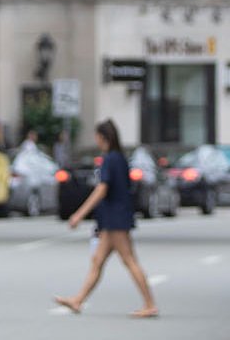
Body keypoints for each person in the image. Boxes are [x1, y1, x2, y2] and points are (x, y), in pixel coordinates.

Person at [55, 120, 159, 319]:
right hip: (114, 217)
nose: (96, 140)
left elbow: (102, 189)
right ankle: (78, 300)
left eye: (97, 137)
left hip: (115, 219)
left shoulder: (110, 160)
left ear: (103, 138)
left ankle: (149, 304)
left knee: (129, 260)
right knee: (97, 261)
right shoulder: (119, 158)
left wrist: (79, 214)